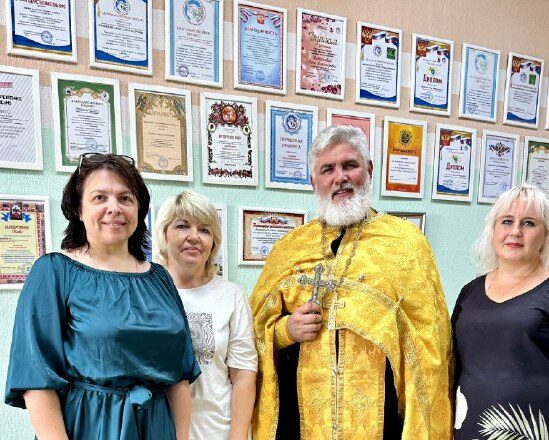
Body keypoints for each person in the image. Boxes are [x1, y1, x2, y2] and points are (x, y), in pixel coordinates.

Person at [250, 126, 453, 440]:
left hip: (383, 420)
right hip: (299, 419)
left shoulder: (406, 242)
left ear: (368, 170)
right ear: (314, 181)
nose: (340, 177)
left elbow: (431, 342)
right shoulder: (289, 247)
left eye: (350, 165)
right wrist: (286, 330)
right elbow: (254, 331)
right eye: (328, 169)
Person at [4, 153, 199, 439]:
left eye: (125, 198)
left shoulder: (159, 278)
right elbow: (37, 380)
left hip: (157, 427)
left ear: (139, 209)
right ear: (79, 209)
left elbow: (179, 378)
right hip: (89, 427)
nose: (114, 208)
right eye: (100, 198)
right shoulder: (54, 272)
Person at [452, 184, 549, 439]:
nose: (515, 231)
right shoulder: (469, 293)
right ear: (493, 231)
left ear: (545, 236)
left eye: (528, 223)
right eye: (506, 221)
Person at [155, 191, 257, 440]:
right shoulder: (147, 293)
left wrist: (237, 436)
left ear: (213, 242)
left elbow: (243, 375)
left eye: (204, 230)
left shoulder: (232, 296)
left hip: (218, 431)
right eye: (182, 226)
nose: (194, 237)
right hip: (159, 429)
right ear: (164, 234)